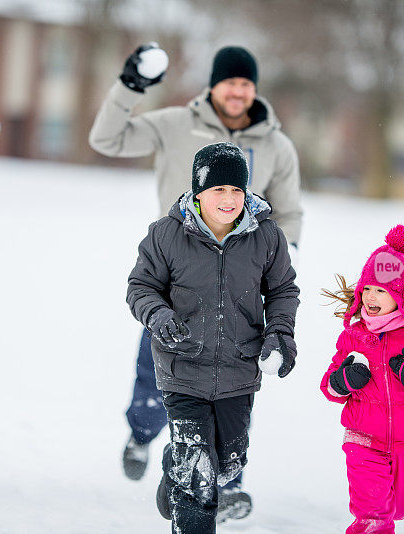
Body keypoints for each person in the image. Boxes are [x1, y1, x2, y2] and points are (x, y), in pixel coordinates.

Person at [89, 42, 303, 520]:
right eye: (230, 81)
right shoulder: (173, 124)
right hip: (177, 279)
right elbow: (108, 140)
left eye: (246, 83)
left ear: (254, 89)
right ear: (214, 85)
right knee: (157, 371)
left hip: (239, 284)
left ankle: (224, 485)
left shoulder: (275, 144)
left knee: (231, 388)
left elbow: (288, 210)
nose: (237, 91)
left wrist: (267, 261)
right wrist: (130, 87)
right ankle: (144, 435)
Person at [127, 142, 299, 533]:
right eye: (218, 189)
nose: (229, 199)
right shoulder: (167, 234)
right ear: (198, 192)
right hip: (182, 365)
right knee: (198, 479)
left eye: (237, 190)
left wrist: (280, 335)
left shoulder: (266, 236)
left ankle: (175, 464)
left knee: (228, 465)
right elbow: (140, 287)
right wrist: (158, 314)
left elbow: (283, 291)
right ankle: (185, 470)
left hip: (239, 370)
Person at [319, 225, 404, 534]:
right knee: (373, 513)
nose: (371, 296)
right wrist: (343, 381)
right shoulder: (354, 336)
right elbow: (329, 385)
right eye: (368, 288)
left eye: (382, 290)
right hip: (363, 440)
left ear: (402, 295)